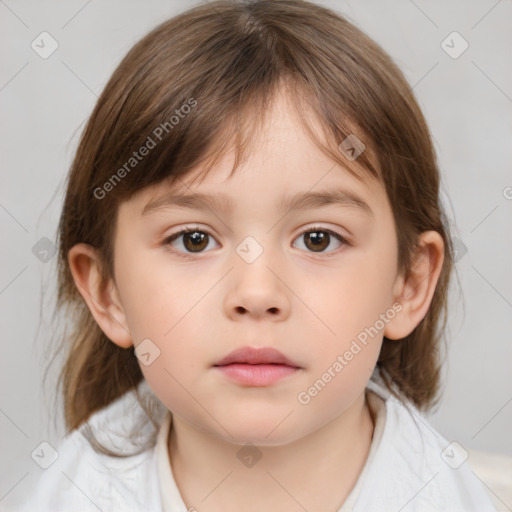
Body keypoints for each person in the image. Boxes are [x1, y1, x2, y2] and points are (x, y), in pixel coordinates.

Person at [7, 0, 497, 510]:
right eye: (193, 239)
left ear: (409, 285)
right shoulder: (69, 495)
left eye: (318, 239)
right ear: (107, 292)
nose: (257, 294)